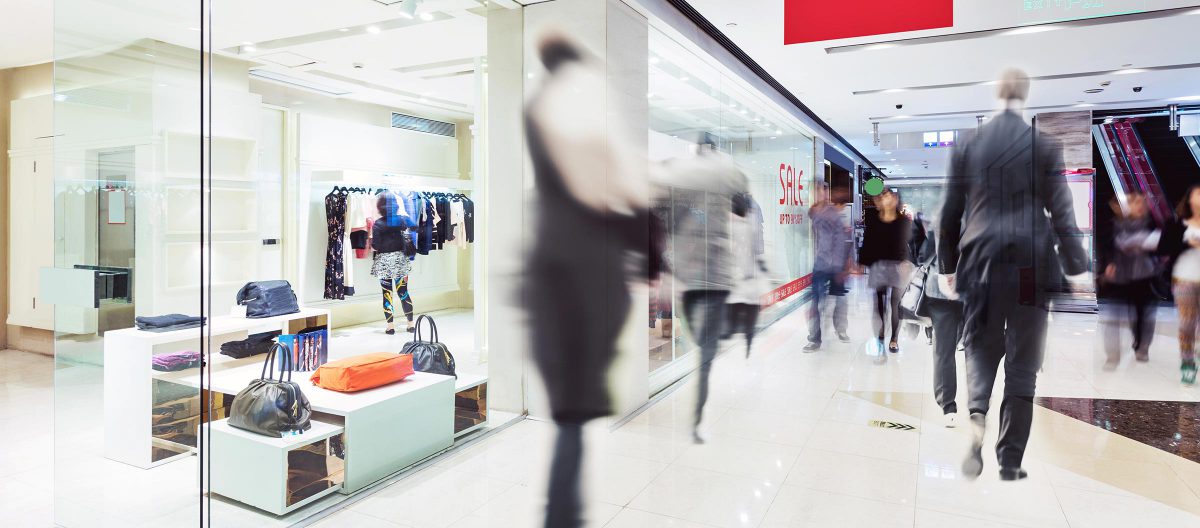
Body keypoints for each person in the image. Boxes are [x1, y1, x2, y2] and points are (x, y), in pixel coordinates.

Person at [523, 34, 651, 528]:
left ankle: (563, 515)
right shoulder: (572, 108)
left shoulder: (540, 108)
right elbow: (618, 186)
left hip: (556, 276)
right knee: (573, 415)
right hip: (582, 278)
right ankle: (563, 517)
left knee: (570, 417)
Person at [938, 69, 1088, 481]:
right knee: (1023, 362)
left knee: (981, 345)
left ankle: (976, 414)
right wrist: (1077, 265)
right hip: (1032, 265)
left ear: (996, 94)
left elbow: (948, 214)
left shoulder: (968, 145)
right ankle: (1010, 459)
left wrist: (947, 267)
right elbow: (1062, 211)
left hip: (981, 262)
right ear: (1024, 96)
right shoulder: (1043, 145)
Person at [659, 133, 750, 444]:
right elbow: (743, 204)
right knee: (705, 351)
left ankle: (696, 418)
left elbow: (662, 215)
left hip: (692, 278)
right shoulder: (725, 173)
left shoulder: (680, 175)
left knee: (702, 347)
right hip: (707, 277)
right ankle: (696, 415)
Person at [1101, 192, 1159, 369]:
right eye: (1134, 202)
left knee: (1143, 316)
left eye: (1142, 202)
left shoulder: (1153, 224)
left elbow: (1163, 248)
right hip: (1118, 276)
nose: (1140, 205)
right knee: (1112, 316)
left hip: (1144, 276)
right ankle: (1112, 355)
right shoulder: (1112, 225)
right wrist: (1107, 264)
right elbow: (1105, 247)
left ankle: (1142, 346)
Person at [1156, 184, 1200, 384]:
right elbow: (1163, 249)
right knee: (1187, 324)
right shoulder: (1175, 225)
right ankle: (1188, 362)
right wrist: (1186, 244)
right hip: (1184, 279)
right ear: (1189, 199)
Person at [859, 189, 912, 353]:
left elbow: (910, 244)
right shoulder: (874, 220)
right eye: (882, 196)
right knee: (879, 304)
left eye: (888, 195)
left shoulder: (904, 222)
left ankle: (894, 338)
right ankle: (881, 333)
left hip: (898, 267)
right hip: (879, 267)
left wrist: (907, 262)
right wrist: (861, 263)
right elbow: (867, 244)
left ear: (895, 200)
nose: (885, 199)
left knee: (895, 305)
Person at [804, 184, 853, 351]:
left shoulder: (834, 214)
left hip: (835, 266)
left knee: (840, 300)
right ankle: (814, 338)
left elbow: (840, 241)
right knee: (816, 302)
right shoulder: (813, 212)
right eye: (816, 191)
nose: (820, 194)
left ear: (826, 193)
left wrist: (840, 267)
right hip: (819, 264)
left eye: (822, 190)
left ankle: (841, 330)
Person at [923, 228, 964, 427]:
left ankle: (949, 405)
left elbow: (921, 249)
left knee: (944, 350)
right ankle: (959, 405)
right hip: (969, 287)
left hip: (943, 287)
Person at [370, 192, 418, 335]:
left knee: (387, 293)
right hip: (400, 261)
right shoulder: (402, 219)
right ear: (396, 206)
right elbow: (415, 227)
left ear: (380, 207)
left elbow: (375, 246)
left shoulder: (377, 224)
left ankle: (390, 326)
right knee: (403, 292)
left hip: (383, 262)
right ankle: (410, 324)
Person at [726, 196, 768, 357]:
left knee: (737, 310)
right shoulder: (749, 225)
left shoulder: (731, 225)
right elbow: (758, 248)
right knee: (748, 312)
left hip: (739, 278)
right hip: (747, 278)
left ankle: (742, 344)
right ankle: (748, 348)